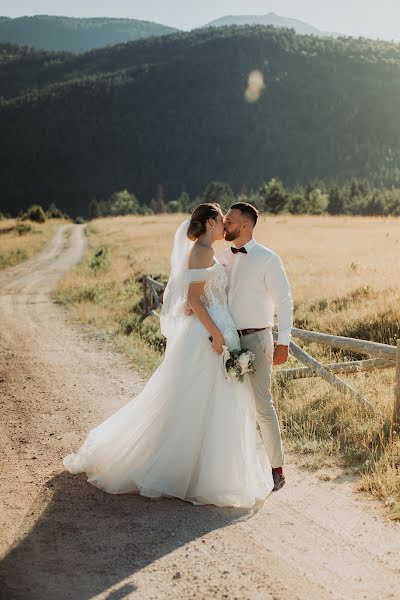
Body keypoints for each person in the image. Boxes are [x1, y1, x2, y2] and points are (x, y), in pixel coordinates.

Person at [63, 203, 274, 508]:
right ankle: (190, 471)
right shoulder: (201, 251)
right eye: (221, 220)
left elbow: (198, 295)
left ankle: (209, 468)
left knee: (214, 401)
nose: (224, 225)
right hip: (208, 333)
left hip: (219, 327)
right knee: (198, 400)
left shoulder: (209, 251)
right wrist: (215, 333)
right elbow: (193, 299)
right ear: (210, 223)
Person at [217, 203, 293, 491]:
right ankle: (233, 465)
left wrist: (283, 341)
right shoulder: (223, 257)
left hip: (258, 337)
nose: (224, 224)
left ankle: (277, 469)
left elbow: (284, 301)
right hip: (226, 340)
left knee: (262, 403)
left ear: (245, 226)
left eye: (230, 221)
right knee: (227, 403)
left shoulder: (267, 259)